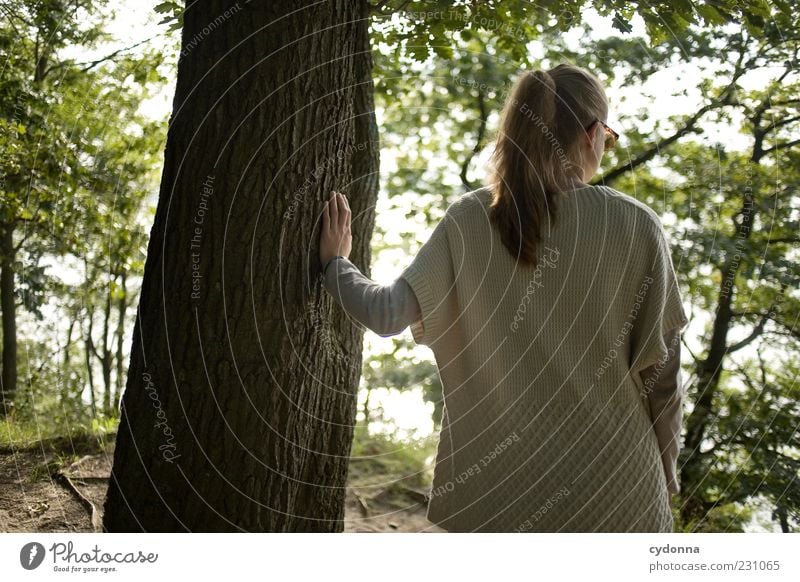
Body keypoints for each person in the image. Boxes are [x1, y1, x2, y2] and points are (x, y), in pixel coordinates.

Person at [318, 63, 689, 532]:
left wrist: (336, 265)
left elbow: (386, 313)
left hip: (496, 495)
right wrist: (665, 473)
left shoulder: (470, 219)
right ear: (593, 133)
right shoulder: (636, 226)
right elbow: (662, 379)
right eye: (609, 138)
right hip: (616, 493)